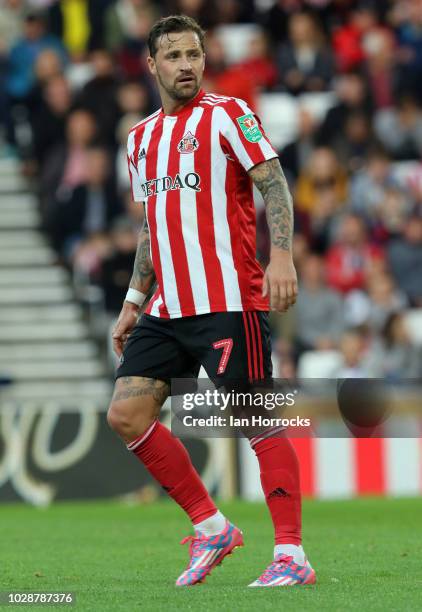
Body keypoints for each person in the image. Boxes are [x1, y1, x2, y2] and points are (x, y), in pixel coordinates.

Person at [107, 15, 315, 588]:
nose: (185, 65)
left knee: (256, 421)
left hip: (228, 298)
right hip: (168, 306)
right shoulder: (140, 139)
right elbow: (152, 226)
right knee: (126, 413)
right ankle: (211, 526)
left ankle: (292, 555)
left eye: (193, 54)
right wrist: (133, 299)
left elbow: (273, 182)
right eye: (172, 55)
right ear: (151, 64)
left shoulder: (229, 115)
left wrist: (281, 257)